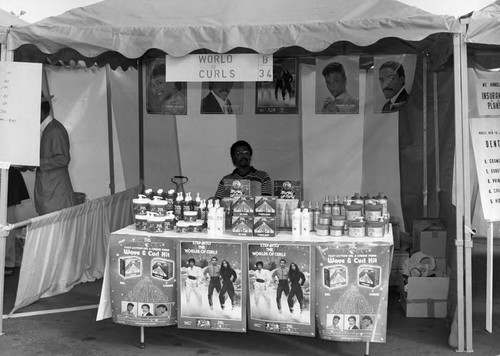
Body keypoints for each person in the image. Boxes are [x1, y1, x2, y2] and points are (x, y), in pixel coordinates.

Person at [35, 95, 76, 215]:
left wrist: (36, 162)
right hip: (49, 193)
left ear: (40, 112)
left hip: (55, 195)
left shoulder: (55, 130)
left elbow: (63, 159)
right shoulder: (47, 129)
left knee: (57, 231)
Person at [4, 167, 30, 276]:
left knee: (6, 224)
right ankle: (7, 262)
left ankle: (7, 262)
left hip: (8, 177)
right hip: (8, 175)